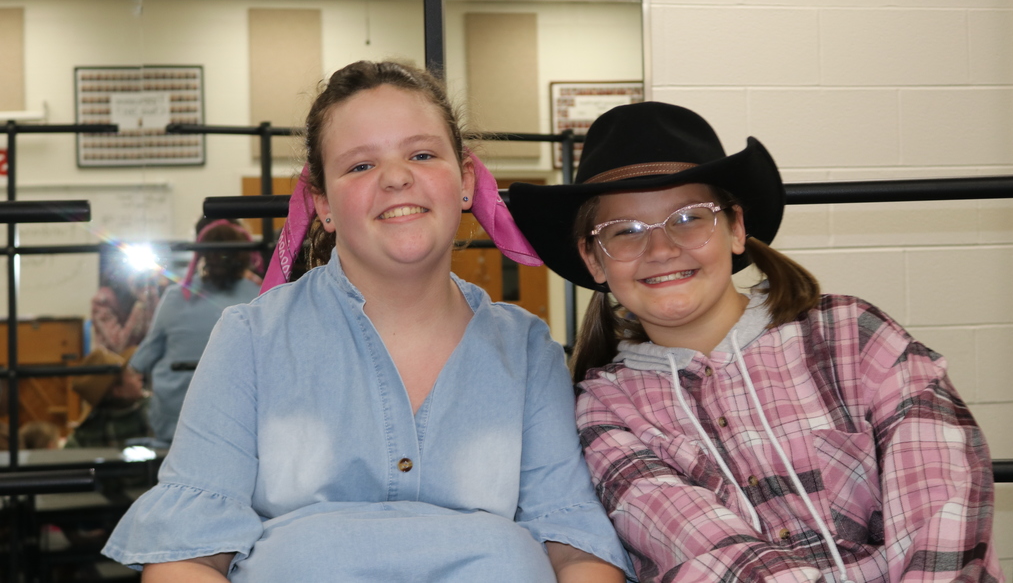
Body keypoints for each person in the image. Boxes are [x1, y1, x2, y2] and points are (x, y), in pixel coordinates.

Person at [102, 60, 629, 582]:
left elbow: (575, 544)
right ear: (322, 204)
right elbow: (186, 557)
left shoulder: (527, 348)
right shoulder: (250, 339)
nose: (397, 177)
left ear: (465, 181)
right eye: (360, 166)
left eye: (422, 154)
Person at [507, 102, 1003, 583]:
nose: (660, 249)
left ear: (737, 228)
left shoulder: (855, 335)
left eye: (688, 218)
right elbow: (709, 555)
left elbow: (944, 500)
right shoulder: (605, 410)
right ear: (595, 261)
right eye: (625, 231)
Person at [129, 219, 261, 445]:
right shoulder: (262, 298)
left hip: (175, 424)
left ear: (201, 255)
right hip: (240, 426)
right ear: (245, 255)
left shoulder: (175, 296)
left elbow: (141, 361)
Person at [66, 348, 150, 449]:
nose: (140, 376)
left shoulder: (83, 435)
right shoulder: (151, 414)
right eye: (131, 374)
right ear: (118, 391)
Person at [90, 244, 162, 356]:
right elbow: (119, 346)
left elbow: (159, 337)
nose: (137, 276)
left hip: (142, 363)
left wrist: (153, 296)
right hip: (113, 367)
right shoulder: (103, 301)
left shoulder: (147, 294)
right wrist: (140, 305)